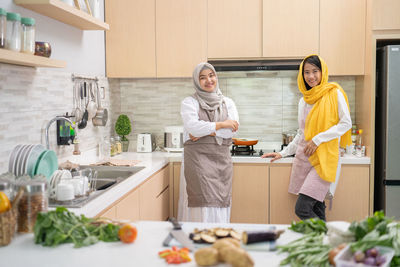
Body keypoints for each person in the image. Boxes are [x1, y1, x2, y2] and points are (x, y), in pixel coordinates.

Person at [262, 55, 352, 221]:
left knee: (302, 208)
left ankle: (326, 236)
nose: (311, 76)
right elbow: (301, 134)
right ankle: (323, 244)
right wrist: (283, 153)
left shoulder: (334, 93)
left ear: (322, 71)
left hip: (324, 159)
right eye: (307, 72)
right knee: (317, 206)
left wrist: (318, 139)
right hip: (305, 158)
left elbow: (346, 123)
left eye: (315, 71)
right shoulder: (304, 101)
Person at [177, 62, 239, 223]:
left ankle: (218, 238)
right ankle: (198, 238)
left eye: (211, 76)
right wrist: (221, 124)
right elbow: (192, 127)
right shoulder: (189, 102)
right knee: (200, 202)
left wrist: (205, 131)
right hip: (198, 161)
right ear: (197, 82)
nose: (208, 80)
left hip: (221, 162)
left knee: (220, 201)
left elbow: (233, 130)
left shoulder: (228, 102)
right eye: (202, 78)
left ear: (216, 77)